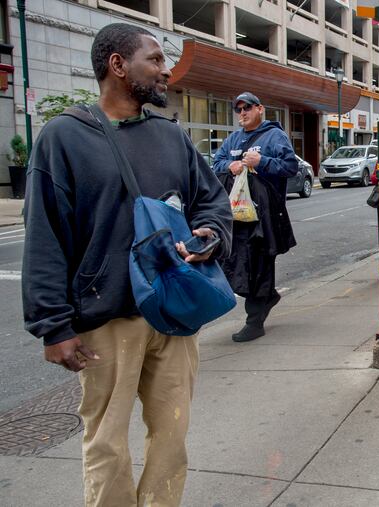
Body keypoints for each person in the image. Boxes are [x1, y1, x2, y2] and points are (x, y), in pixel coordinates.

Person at [22, 23, 232, 506]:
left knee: (172, 438)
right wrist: (53, 326)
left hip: (174, 313)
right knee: (107, 443)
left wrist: (210, 236)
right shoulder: (63, 138)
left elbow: (212, 203)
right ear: (118, 65)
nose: (165, 71)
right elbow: (45, 237)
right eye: (155, 60)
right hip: (106, 320)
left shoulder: (170, 136)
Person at [213, 92, 298, 342]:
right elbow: (216, 163)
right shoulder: (233, 139)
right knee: (239, 261)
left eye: (247, 108)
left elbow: (290, 167)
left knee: (260, 263)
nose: (242, 113)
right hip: (239, 213)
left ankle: (255, 321)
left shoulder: (275, 135)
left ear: (259, 109)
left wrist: (262, 161)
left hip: (265, 215)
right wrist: (230, 166)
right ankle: (266, 297)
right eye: (238, 109)